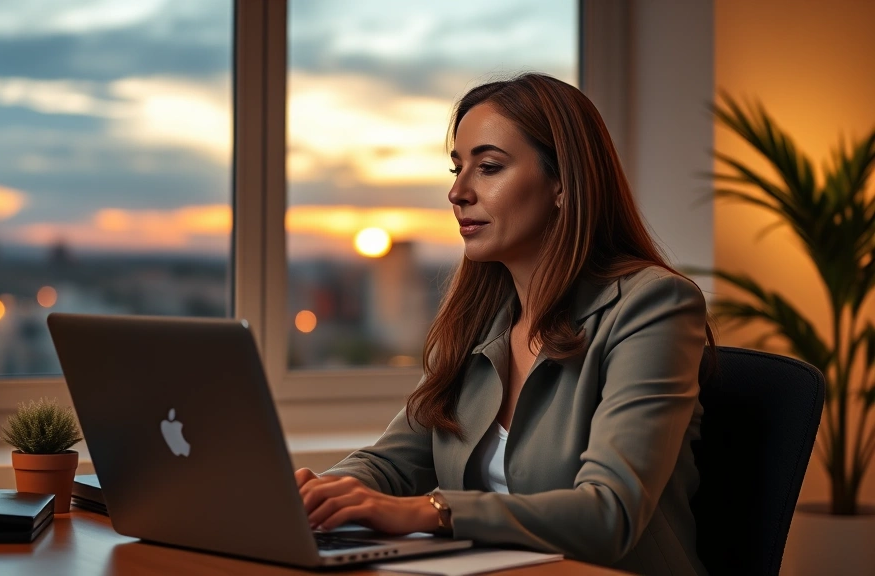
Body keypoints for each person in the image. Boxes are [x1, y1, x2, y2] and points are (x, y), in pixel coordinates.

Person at [294, 73, 714, 576]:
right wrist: (318, 495)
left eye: (489, 167)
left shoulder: (653, 306)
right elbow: (395, 461)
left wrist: (428, 512)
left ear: (562, 183)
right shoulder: (479, 320)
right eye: (456, 168)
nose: (458, 192)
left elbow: (609, 514)